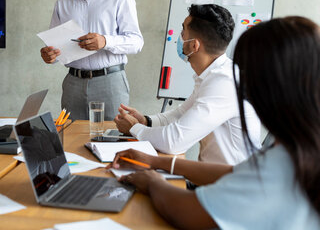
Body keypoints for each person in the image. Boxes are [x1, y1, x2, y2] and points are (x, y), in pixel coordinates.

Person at [109, 16, 320, 229]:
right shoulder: (298, 149)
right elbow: (235, 173)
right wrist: (155, 161)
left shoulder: (225, 82)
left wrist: (153, 181)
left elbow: (187, 211)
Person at [114, 4, 261, 165]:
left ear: (194, 45)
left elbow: (174, 142)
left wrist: (134, 128)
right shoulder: (213, 75)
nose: (180, 36)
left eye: (183, 31)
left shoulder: (224, 82)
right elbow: (180, 114)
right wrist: (145, 121)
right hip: (212, 179)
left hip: (233, 186)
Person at [40, 0, 144, 120]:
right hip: (73, 83)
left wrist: (105, 41)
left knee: (113, 139)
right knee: (71, 139)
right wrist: (50, 55)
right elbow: (56, 49)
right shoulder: (63, 4)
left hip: (109, 81)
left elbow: (136, 42)